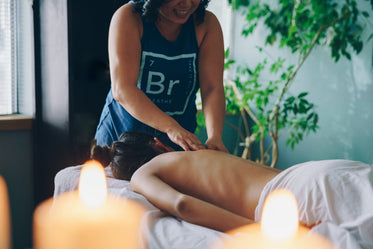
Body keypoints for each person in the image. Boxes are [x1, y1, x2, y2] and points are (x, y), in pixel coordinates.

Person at [91, 131, 373, 248]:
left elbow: (181, 205)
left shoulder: (145, 173)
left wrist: (260, 231)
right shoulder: (191, 154)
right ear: (156, 142)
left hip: (296, 195)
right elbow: (182, 204)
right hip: (312, 175)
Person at [94, 0, 227, 152]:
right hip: (121, 138)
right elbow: (123, 90)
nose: (186, 4)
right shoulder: (129, 17)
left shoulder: (207, 24)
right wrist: (171, 128)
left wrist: (215, 136)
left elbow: (212, 88)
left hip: (177, 143)